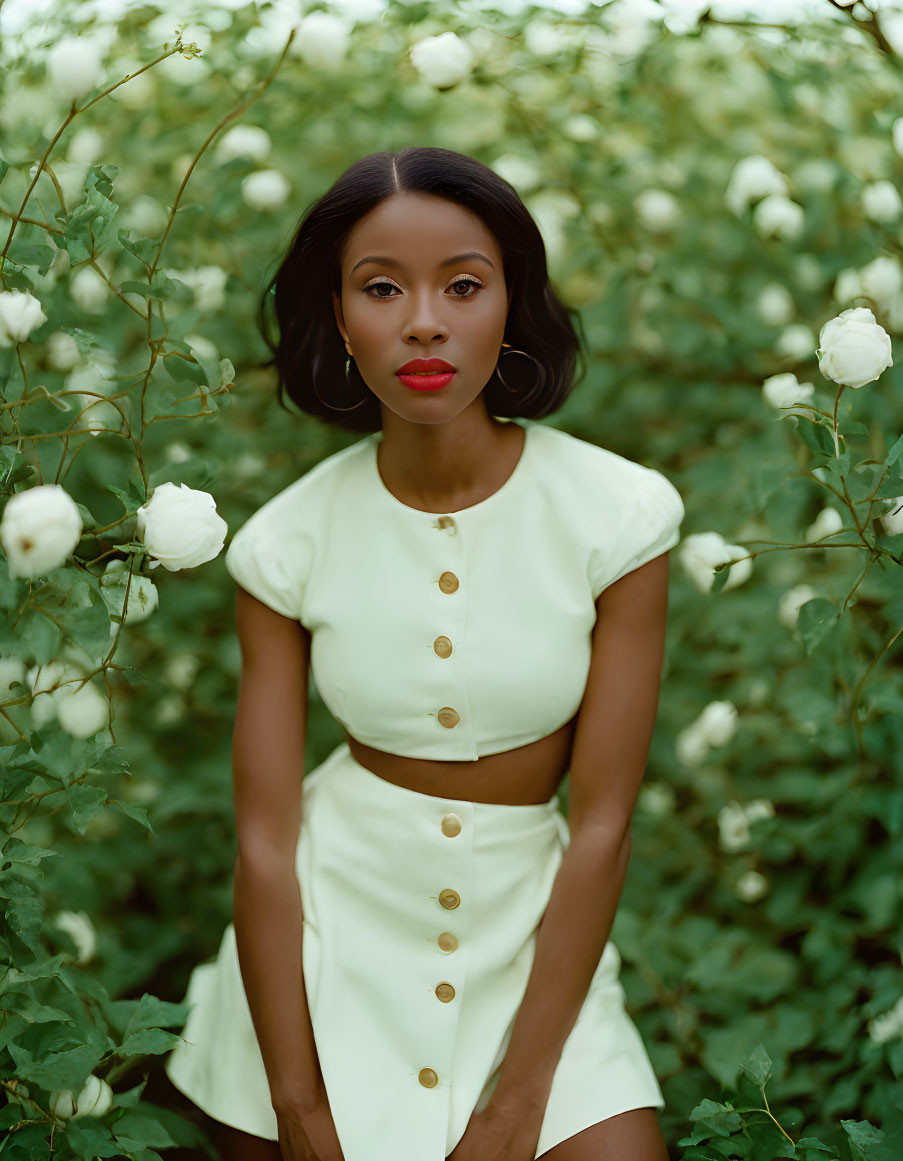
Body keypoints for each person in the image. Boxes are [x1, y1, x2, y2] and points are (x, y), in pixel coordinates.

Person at [164, 145, 685, 1161]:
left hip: (534, 933)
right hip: (329, 934)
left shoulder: (620, 518)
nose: (425, 322)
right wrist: (301, 1111)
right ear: (340, 318)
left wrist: (514, 1106)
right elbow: (268, 846)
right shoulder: (284, 542)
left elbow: (602, 825)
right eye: (382, 288)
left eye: (462, 285)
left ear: (510, 303)